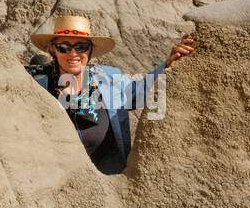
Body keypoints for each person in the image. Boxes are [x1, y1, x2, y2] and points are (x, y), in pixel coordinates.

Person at [26, 12, 196, 174]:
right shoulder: (37, 86)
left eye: (81, 47)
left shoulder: (109, 78)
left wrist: (167, 65)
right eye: (63, 47)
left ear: (90, 50)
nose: (73, 53)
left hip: (108, 183)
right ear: (52, 50)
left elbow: (141, 92)